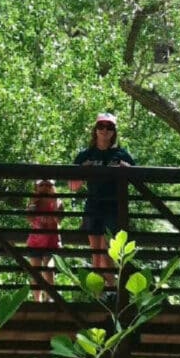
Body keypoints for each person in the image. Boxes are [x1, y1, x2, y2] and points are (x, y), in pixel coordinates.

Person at [69, 113, 135, 287]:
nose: (105, 130)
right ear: (95, 130)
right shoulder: (86, 154)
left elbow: (137, 179)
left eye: (109, 127)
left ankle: (112, 289)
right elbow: (73, 186)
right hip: (93, 206)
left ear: (114, 132)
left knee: (107, 251)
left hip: (114, 208)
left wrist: (125, 169)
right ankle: (98, 293)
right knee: (96, 253)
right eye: (101, 126)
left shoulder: (121, 154)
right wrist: (83, 170)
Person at [26, 178, 63, 302]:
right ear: (37, 187)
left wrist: (55, 202)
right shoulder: (33, 202)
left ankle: (50, 298)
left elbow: (59, 220)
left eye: (48, 185)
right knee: (36, 273)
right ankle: (37, 300)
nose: (45, 187)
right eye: (42, 185)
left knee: (48, 268)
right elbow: (29, 219)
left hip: (51, 242)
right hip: (35, 242)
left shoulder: (57, 201)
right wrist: (32, 203)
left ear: (52, 187)